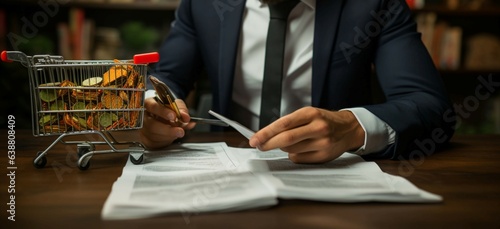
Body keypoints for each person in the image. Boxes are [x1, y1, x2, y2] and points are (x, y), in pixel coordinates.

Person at [140, 0, 456, 163]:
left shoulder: (376, 4)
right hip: (227, 172)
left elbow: (430, 106)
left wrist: (353, 127)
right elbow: (167, 77)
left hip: (334, 177)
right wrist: (153, 107)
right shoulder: (204, 4)